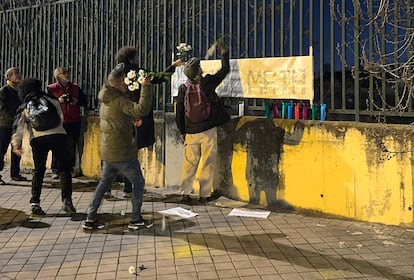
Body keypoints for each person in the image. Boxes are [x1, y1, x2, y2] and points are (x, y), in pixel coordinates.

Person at [104, 46, 184, 199]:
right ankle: (128, 189)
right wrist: (173, 67)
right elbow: (159, 77)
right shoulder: (136, 72)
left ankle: (109, 188)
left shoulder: (114, 73)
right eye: (136, 57)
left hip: (116, 117)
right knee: (130, 153)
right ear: (131, 58)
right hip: (135, 117)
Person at [82, 63, 154, 230]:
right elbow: (141, 108)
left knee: (104, 183)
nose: (126, 85)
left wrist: (131, 120)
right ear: (117, 84)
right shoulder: (119, 99)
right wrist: (146, 88)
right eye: (123, 82)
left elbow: (115, 120)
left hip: (108, 150)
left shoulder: (105, 97)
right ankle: (135, 219)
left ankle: (90, 218)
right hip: (122, 151)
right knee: (138, 182)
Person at [11, 78, 76, 215]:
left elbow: (18, 127)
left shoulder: (25, 106)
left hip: (38, 138)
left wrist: (16, 144)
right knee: (64, 169)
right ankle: (67, 201)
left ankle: (35, 203)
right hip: (58, 135)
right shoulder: (51, 99)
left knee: (39, 170)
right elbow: (61, 117)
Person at [175, 43, 230, 204]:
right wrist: (224, 55)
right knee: (207, 162)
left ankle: (184, 192)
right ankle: (204, 194)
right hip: (208, 129)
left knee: (189, 163)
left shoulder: (183, 89)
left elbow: (179, 112)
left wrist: (182, 131)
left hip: (191, 131)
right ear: (198, 71)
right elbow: (224, 71)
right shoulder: (207, 83)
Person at [47, 67, 87, 178]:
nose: (66, 74)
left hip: (73, 120)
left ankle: (70, 169)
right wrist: (58, 101)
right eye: (63, 73)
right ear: (58, 75)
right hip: (58, 121)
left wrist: (77, 101)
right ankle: (56, 169)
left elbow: (85, 101)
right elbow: (47, 104)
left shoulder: (75, 87)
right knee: (57, 146)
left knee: (71, 146)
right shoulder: (51, 88)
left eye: (67, 72)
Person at [0, 67, 27, 184]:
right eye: (16, 74)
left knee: (16, 149)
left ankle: (15, 173)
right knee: (1, 150)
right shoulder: (4, 91)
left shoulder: (20, 90)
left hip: (17, 125)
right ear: (9, 77)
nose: (19, 76)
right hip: (4, 124)